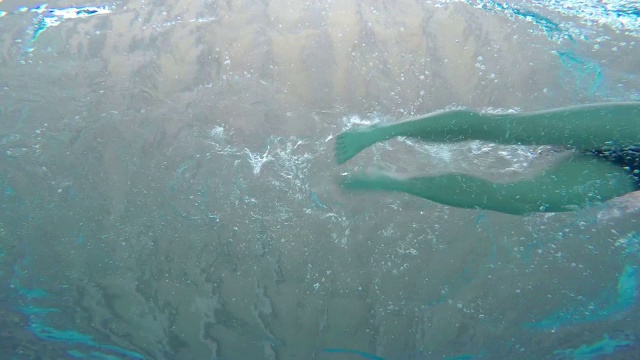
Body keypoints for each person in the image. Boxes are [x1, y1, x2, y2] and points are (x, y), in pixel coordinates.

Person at [335, 102, 640, 215]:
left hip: (633, 173)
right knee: (510, 130)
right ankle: (382, 131)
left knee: (525, 202)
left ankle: (397, 182)